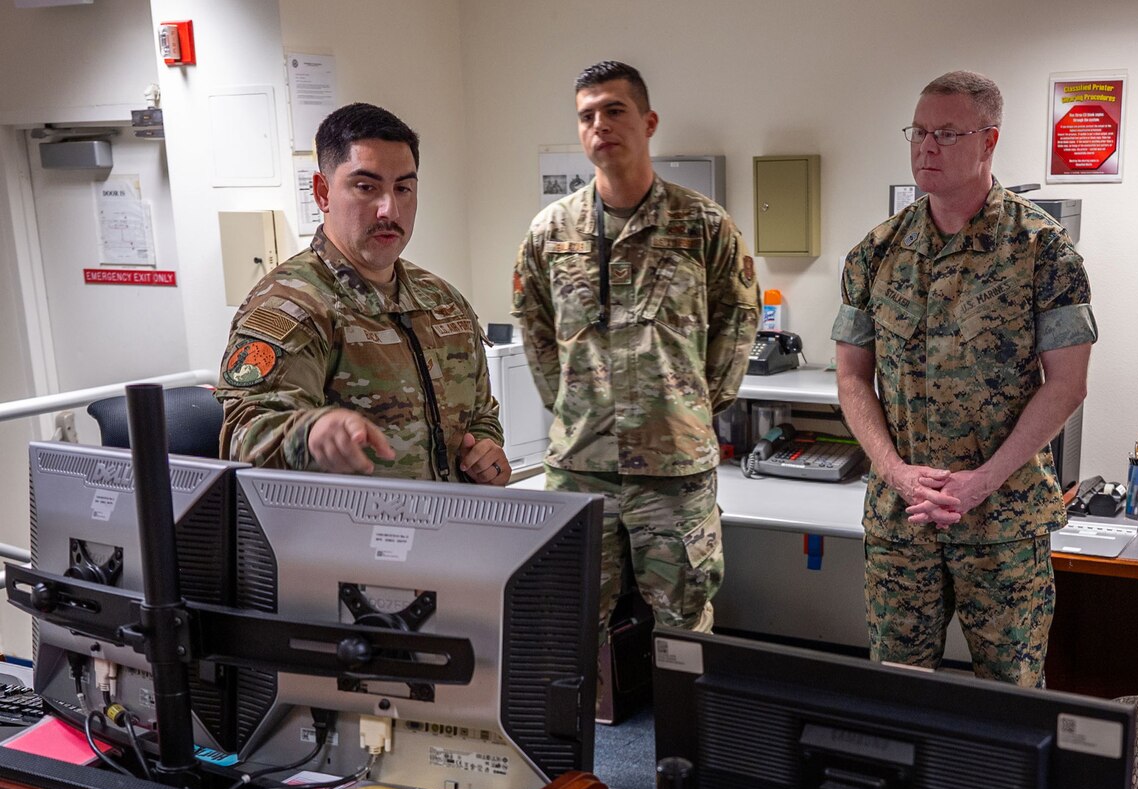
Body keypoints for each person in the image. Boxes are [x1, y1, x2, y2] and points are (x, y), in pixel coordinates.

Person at [832, 71, 1095, 686]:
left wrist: (980, 482)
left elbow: (1068, 384)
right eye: (919, 132)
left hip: (1002, 520)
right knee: (897, 690)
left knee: (1011, 697)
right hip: (904, 517)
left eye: (946, 133)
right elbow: (851, 377)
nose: (927, 147)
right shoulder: (874, 252)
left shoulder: (1044, 250)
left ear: (989, 141)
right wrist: (895, 471)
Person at [513, 61, 760, 638]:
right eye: (587, 115)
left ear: (648, 122)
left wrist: (689, 406)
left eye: (614, 110)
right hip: (581, 468)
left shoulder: (704, 225)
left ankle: (686, 732)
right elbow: (536, 332)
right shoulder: (550, 231)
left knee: (684, 625)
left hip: (674, 467)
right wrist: (577, 408)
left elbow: (737, 324)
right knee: (567, 622)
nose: (600, 124)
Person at [217, 102, 508, 484]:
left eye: (403, 188)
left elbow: (481, 415)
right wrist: (311, 434)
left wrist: (487, 450)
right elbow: (243, 438)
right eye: (366, 187)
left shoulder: (442, 302)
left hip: (447, 530)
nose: (389, 209)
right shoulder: (292, 305)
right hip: (347, 537)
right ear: (322, 193)